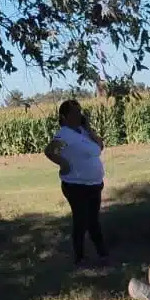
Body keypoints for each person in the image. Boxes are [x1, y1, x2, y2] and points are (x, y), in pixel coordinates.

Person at [44, 99, 110, 267]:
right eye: (74, 112)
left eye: (79, 111)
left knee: (93, 220)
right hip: (76, 185)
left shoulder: (83, 131)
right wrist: (63, 163)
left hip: (94, 184)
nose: (78, 115)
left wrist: (89, 129)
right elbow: (50, 151)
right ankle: (80, 258)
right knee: (81, 221)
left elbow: (99, 147)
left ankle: (102, 255)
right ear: (64, 117)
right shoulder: (64, 134)